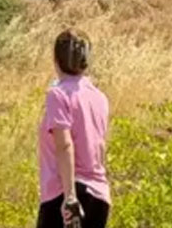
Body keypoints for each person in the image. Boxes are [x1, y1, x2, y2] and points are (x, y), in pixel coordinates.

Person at [37, 30, 111, 228]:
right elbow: (99, 148)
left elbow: (64, 145)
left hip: (66, 193)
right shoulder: (99, 98)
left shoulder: (58, 95)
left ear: (55, 60)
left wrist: (70, 196)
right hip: (99, 196)